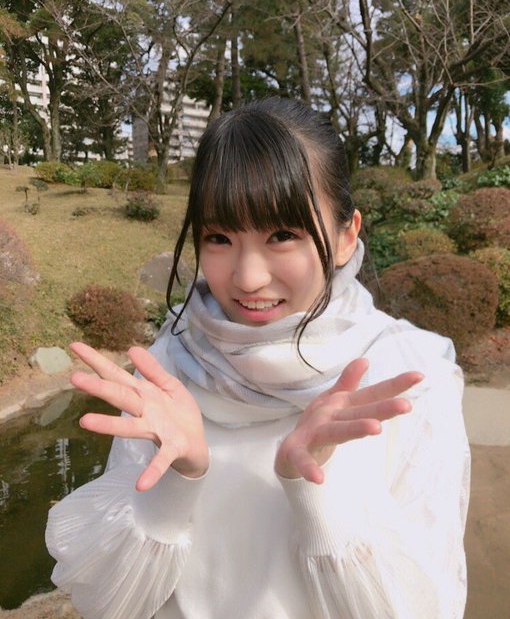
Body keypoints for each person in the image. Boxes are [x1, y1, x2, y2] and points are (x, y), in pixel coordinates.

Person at [46, 98, 470, 619]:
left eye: (283, 235)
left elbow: (427, 606)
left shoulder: (408, 376)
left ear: (345, 236)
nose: (248, 278)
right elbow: (114, 604)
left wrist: (314, 491)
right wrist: (176, 483)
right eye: (219, 238)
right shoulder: (169, 367)